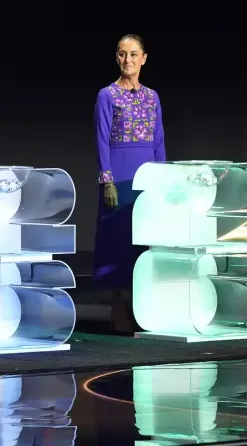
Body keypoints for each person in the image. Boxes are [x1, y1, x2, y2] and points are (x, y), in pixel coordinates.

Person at [93, 34, 165, 334]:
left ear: (144, 58)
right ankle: (118, 307)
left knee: (142, 242)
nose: (128, 60)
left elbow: (159, 140)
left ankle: (142, 308)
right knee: (118, 242)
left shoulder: (152, 96)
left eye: (134, 54)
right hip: (119, 176)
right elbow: (101, 139)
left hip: (146, 175)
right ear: (117, 58)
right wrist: (106, 180)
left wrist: (162, 180)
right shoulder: (107, 95)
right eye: (123, 54)